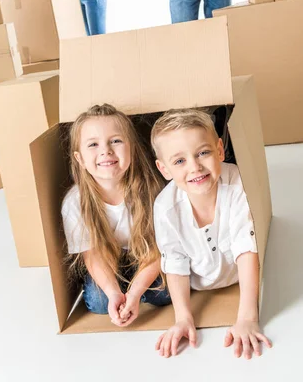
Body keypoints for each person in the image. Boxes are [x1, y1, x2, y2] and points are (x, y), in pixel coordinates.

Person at [150, 109, 272, 358]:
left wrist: (248, 317)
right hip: (197, 282)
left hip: (238, 275)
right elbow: (175, 261)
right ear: (164, 169)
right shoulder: (165, 207)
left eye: (203, 153)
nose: (195, 167)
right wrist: (183, 317)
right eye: (179, 161)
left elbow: (246, 247)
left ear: (220, 150)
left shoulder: (238, 184)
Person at [61, 103, 171, 327]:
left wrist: (136, 292)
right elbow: (92, 255)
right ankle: (121, 293)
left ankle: (134, 294)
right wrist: (113, 293)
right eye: (93, 144)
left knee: (166, 294)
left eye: (116, 141)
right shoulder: (75, 202)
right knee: (99, 302)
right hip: (108, 261)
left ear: (131, 148)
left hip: (148, 256)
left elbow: (161, 249)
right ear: (79, 158)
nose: (106, 151)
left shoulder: (151, 190)